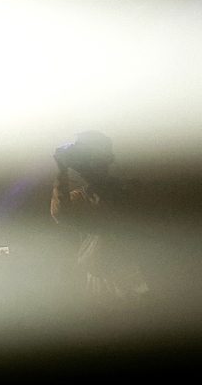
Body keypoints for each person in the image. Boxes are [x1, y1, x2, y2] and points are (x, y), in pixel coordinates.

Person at [50, 130, 149, 309]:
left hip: (130, 278)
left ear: (105, 158)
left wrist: (86, 171)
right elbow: (62, 215)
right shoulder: (83, 194)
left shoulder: (129, 189)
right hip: (98, 280)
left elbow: (111, 213)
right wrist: (61, 172)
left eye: (87, 153)